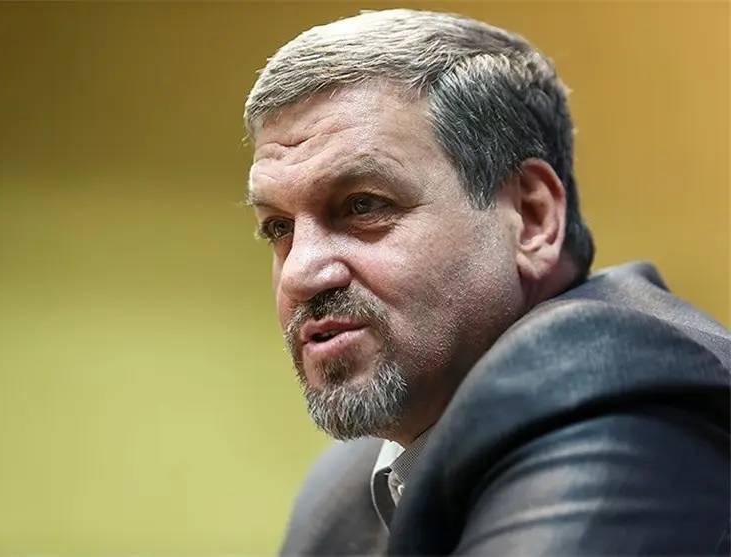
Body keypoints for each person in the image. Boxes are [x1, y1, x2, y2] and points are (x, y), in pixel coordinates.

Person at [242, 8, 730, 557]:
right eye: (278, 228)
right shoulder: (350, 487)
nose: (301, 273)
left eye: (363, 206)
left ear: (532, 218)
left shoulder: (615, 386)